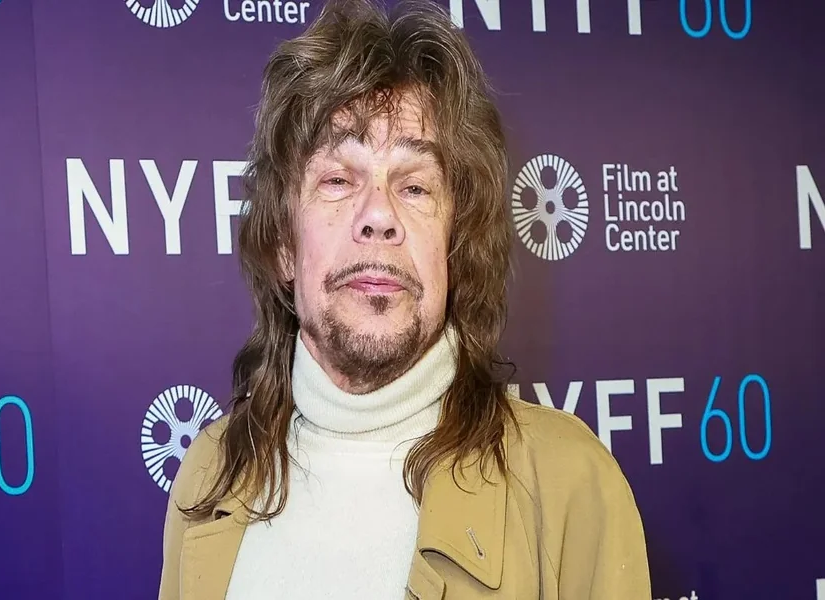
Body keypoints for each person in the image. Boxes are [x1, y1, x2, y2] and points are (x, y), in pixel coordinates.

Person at [157, 0, 652, 598]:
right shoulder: (208, 474)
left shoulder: (571, 485)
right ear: (284, 246)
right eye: (338, 180)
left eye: (415, 186)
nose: (379, 214)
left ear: (454, 247)